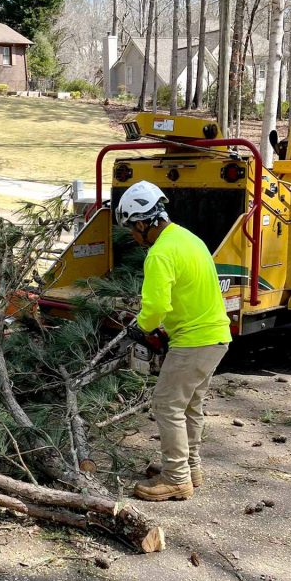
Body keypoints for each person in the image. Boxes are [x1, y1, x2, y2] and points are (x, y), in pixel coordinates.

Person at [116, 180, 231, 502]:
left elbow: (155, 308)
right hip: (215, 337)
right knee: (190, 406)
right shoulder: (187, 238)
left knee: (166, 405)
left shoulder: (160, 254)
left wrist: (137, 330)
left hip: (194, 341)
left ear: (142, 223)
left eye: (132, 229)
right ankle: (189, 468)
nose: (133, 237)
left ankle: (176, 478)